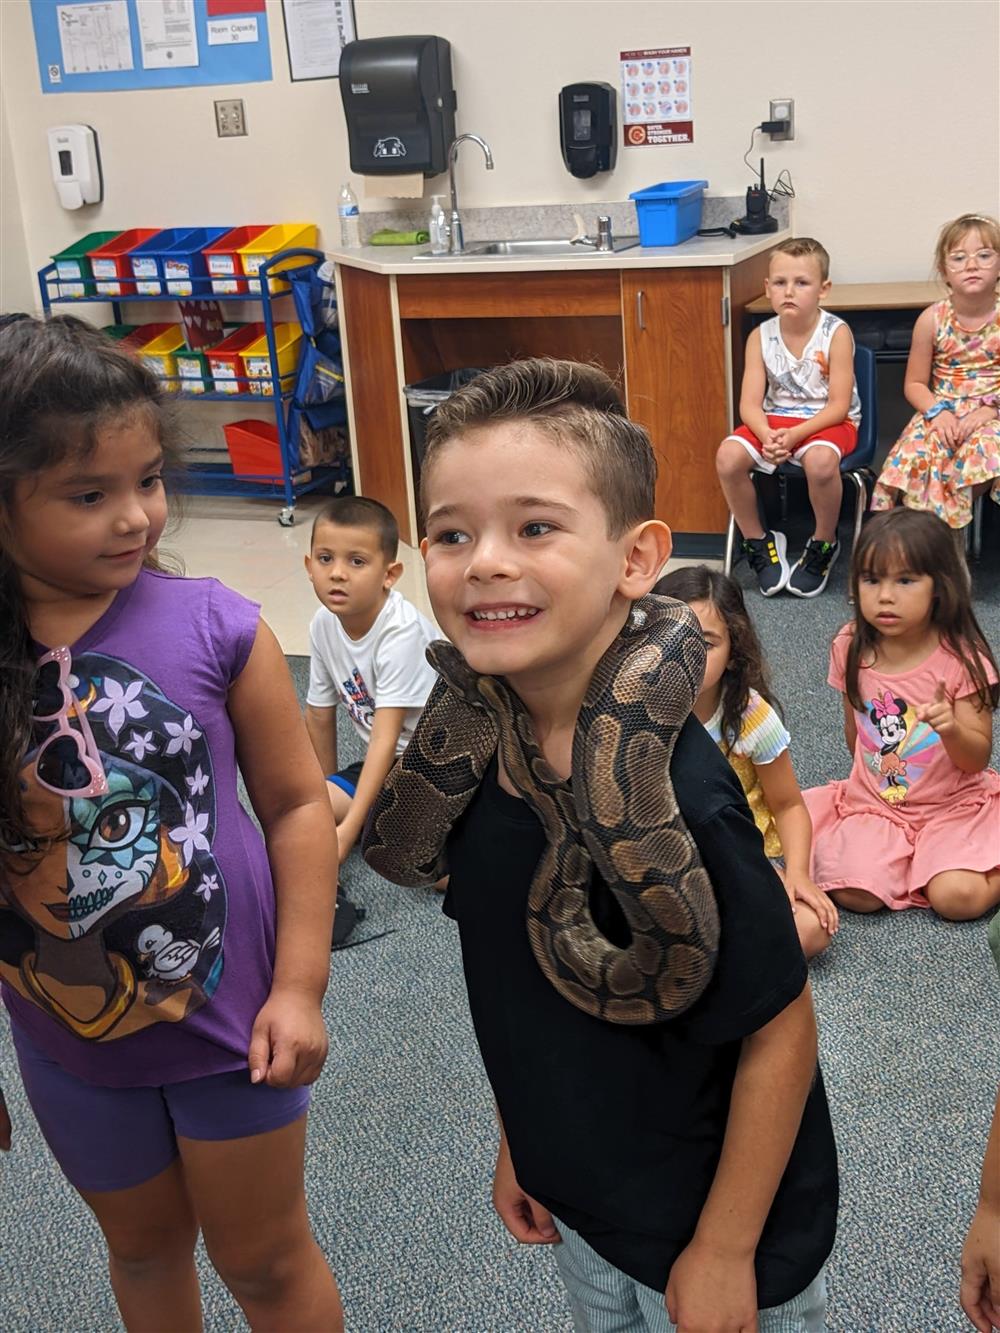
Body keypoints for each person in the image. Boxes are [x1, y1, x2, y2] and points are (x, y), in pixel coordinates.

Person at [365, 359, 838, 1331]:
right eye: (453, 534)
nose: (485, 560)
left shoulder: (686, 795)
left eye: (534, 526)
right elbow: (507, 979)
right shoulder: (480, 772)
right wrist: (521, 1139)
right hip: (579, 1180)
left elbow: (781, 1026)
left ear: (637, 559)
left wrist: (724, 1246)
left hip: (707, 1210)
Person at [0, 316, 343, 1331]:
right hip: (64, 1041)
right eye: (89, 494)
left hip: (231, 1027)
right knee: (144, 1254)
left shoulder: (219, 626)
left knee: (268, 1263)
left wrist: (300, 985)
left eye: (148, 480)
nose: (136, 516)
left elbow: (293, 806)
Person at [802, 508, 1000, 919]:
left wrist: (951, 729)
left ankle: (945, 861)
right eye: (872, 579)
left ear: (940, 587)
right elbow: (855, 739)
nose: (885, 596)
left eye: (905, 580)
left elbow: (976, 759)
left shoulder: (963, 660)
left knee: (956, 899)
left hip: (953, 805)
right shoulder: (850, 645)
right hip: (879, 805)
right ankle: (909, 858)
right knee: (856, 892)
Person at [654, 565, 837, 959]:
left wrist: (799, 874)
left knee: (811, 928)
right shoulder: (633, 712)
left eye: (704, 643)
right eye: (671, 639)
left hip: (738, 860)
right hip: (659, 866)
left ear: (734, 649)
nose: (685, 655)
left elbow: (788, 805)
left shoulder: (751, 717)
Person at [717, 237, 861, 599]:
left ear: (823, 289)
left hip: (826, 422)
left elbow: (838, 406)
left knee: (821, 464)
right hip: (774, 421)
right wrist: (766, 434)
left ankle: (824, 543)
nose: (789, 292)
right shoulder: (759, 336)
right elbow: (749, 404)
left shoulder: (837, 334)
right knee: (727, 458)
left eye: (802, 283)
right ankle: (758, 541)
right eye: (780, 283)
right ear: (767, 288)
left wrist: (795, 436)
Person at [303, 495, 438, 870]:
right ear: (308, 565)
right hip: (385, 767)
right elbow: (318, 714)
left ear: (389, 575)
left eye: (357, 561)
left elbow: (385, 736)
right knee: (309, 811)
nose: (337, 573)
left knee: (429, 869)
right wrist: (321, 797)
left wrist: (345, 832)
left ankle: (376, 823)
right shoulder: (323, 624)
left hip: (429, 768)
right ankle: (373, 818)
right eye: (325, 559)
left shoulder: (401, 632)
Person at [872, 212, 1000, 531]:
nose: (972, 265)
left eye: (984, 255)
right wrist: (937, 413)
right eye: (959, 258)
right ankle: (925, 543)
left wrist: (990, 412)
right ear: (944, 271)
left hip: (992, 412)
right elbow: (914, 383)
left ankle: (950, 537)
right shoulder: (932, 319)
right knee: (918, 453)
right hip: (941, 409)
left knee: (983, 448)